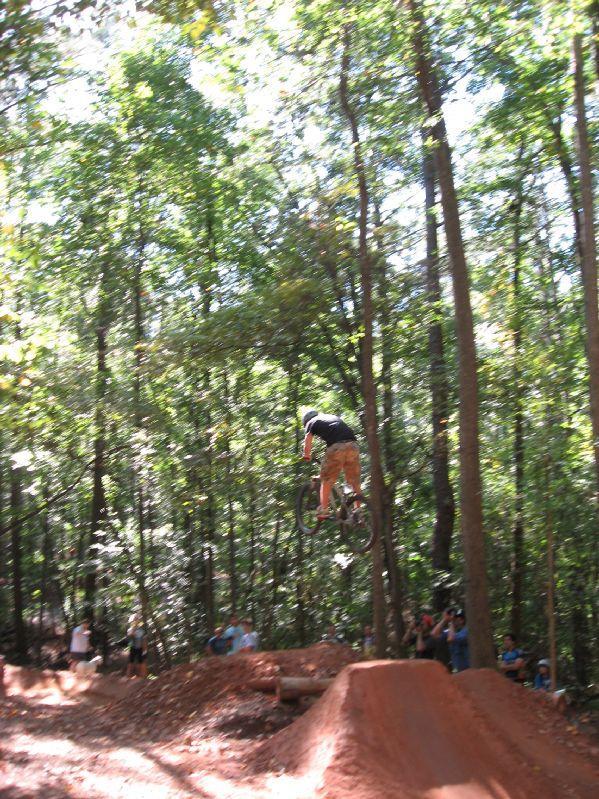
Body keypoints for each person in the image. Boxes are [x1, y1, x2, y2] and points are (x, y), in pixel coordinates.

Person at [301, 410, 361, 520]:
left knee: (327, 479)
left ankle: (324, 509)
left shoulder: (311, 422)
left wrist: (306, 454)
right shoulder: (330, 417)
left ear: (306, 421)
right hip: (353, 445)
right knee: (353, 480)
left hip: (337, 446)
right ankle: (358, 510)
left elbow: (308, 439)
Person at [126, 613, 148, 678]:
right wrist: (134, 627)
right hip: (132, 647)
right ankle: (128, 677)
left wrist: (145, 650)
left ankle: (141, 677)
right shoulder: (130, 629)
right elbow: (130, 636)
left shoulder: (142, 630)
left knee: (140, 663)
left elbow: (144, 640)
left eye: (137, 619)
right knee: (130, 663)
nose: (136, 620)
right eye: (135, 619)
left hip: (140, 648)